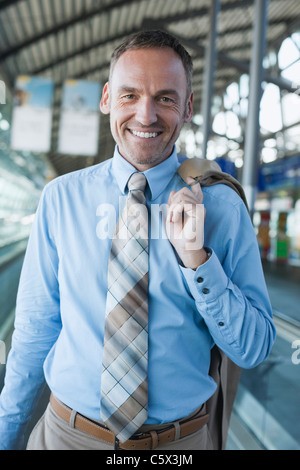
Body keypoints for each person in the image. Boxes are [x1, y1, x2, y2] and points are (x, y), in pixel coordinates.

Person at [0, 30, 276, 450]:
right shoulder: (62, 198)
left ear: (187, 108)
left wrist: (198, 260)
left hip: (178, 445)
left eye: (165, 98)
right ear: (107, 98)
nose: (146, 116)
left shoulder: (222, 207)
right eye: (130, 95)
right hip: (68, 436)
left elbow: (254, 348)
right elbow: (35, 334)